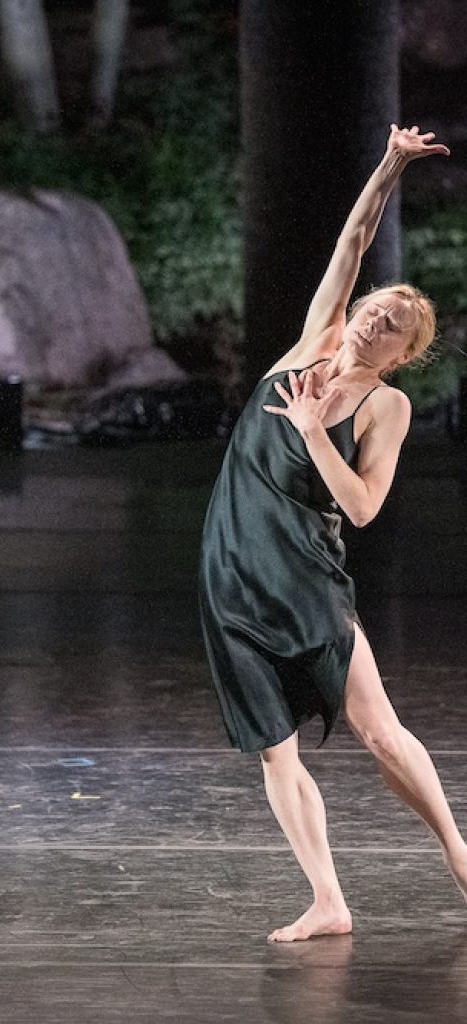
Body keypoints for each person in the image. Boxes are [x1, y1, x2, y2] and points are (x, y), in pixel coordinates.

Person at [199, 125, 465, 943]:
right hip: (231, 571)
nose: (371, 319)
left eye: (391, 324)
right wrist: (387, 166)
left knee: (377, 728)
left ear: (402, 353)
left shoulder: (386, 406)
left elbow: (361, 507)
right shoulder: (312, 340)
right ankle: (328, 899)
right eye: (374, 308)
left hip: (305, 576)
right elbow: (352, 243)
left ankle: (460, 854)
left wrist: (317, 430)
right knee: (275, 753)